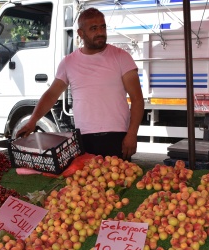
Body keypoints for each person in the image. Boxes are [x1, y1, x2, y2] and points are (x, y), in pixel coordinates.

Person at [15, 7, 144, 160]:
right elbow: (52, 94)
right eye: (94, 28)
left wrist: (132, 134)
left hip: (117, 136)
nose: (100, 32)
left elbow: (137, 99)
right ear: (81, 33)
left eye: (103, 27)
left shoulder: (122, 57)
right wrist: (32, 121)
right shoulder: (68, 62)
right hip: (84, 137)